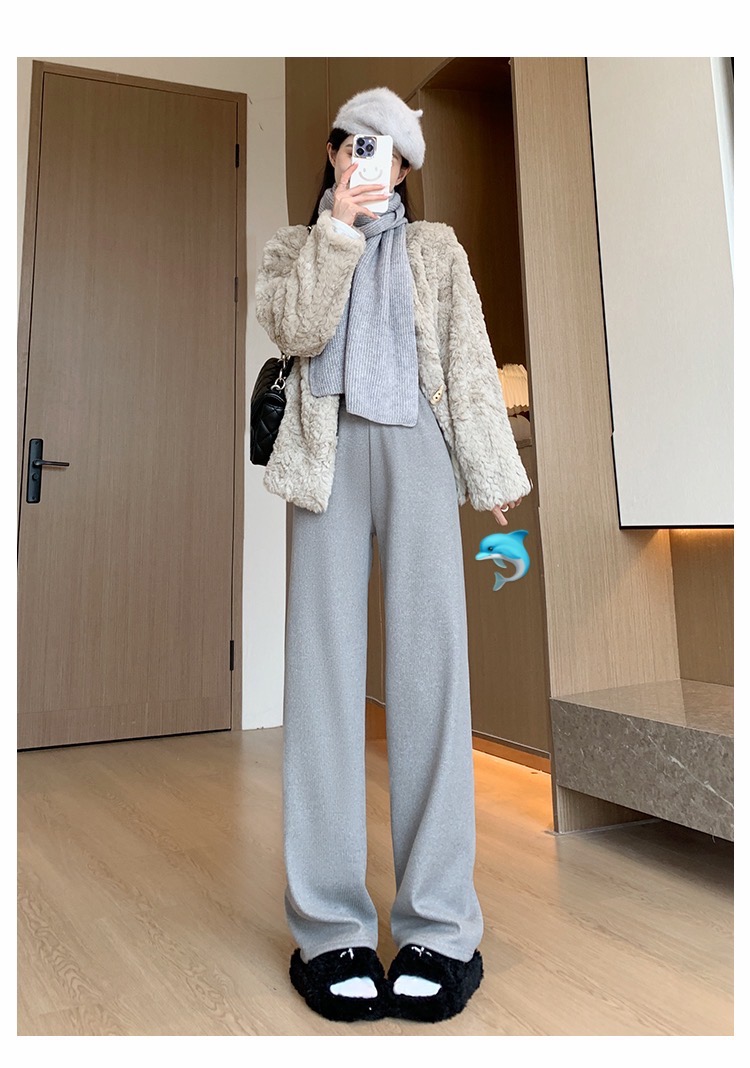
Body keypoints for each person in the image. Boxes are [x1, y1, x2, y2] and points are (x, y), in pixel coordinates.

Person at [255, 86, 532, 1025]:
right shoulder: (294, 248)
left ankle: (439, 927)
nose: (368, 159)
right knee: (324, 684)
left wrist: (491, 469)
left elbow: (467, 360)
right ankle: (329, 929)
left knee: (430, 677)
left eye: (386, 149)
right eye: (354, 144)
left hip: (418, 448)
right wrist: (337, 229)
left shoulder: (438, 250)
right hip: (325, 459)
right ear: (336, 154)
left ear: (408, 167)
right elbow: (296, 330)